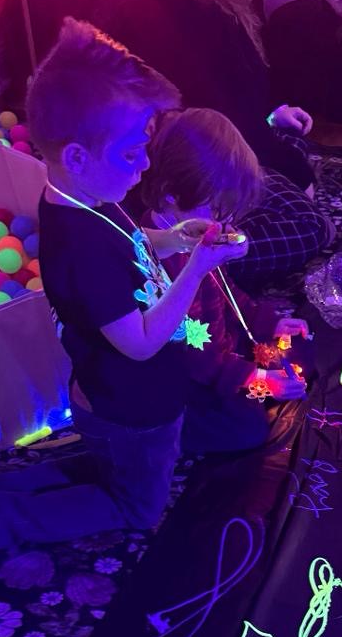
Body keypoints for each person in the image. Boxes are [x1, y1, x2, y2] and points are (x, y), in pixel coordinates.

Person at [0, 19, 247, 563]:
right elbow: (143, 341)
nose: (146, 165)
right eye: (131, 154)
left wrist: (172, 238)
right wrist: (197, 267)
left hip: (119, 405)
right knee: (136, 505)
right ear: (78, 157)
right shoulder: (80, 246)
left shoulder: (85, 197)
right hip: (129, 404)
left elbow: (129, 238)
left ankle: (0, 490)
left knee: (111, 463)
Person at [97, 0, 335, 284]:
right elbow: (216, 118)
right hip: (177, 158)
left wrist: (270, 115)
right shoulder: (181, 0)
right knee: (308, 225)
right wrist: (287, 166)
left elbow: (235, 91)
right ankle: (189, 259)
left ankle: (213, 230)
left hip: (209, 133)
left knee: (297, 149)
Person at [131, 107, 309, 456]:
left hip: (218, 348)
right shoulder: (163, 263)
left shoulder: (197, 232)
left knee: (298, 349)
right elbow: (197, 359)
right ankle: (171, 438)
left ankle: (256, 375)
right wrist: (258, 380)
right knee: (246, 427)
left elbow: (225, 293)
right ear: (170, 194)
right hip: (190, 374)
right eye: (214, 210)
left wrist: (268, 320)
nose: (221, 222)